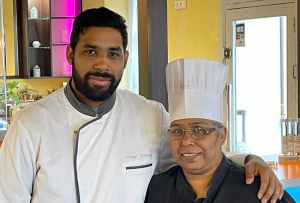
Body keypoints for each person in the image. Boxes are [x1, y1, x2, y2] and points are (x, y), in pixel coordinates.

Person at [0, 7, 283, 203]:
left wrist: (249, 161)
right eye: (90, 51)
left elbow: (196, 154)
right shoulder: (31, 124)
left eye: (113, 54)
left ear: (124, 58)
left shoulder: (149, 114)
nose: (102, 64)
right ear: (71, 54)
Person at [145, 58, 295, 203]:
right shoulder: (156, 190)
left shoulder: (260, 192)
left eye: (199, 130)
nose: (186, 141)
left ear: (222, 135)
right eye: (177, 131)